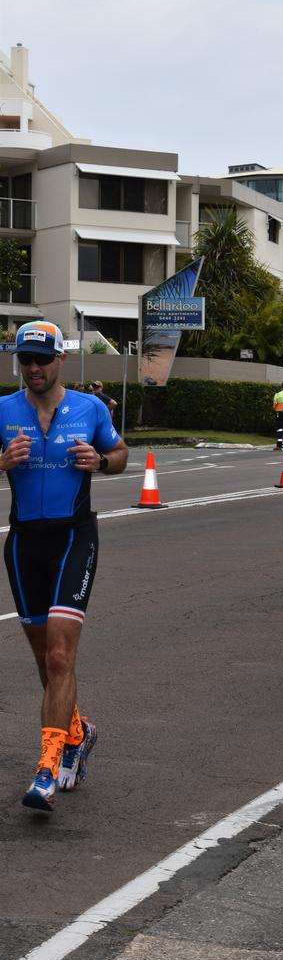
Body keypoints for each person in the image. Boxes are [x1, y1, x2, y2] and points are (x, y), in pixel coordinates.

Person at [0, 322, 128, 811]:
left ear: (60, 359)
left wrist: (99, 461)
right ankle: (78, 732)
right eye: (25, 360)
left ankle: (47, 768)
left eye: (42, 360)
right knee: (44, 661)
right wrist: (2, 461)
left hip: (75, 537)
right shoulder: (4, 410)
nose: (33, 368)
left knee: (59, 657)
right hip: (24, 544)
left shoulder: (90, 408)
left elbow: (120, 454)